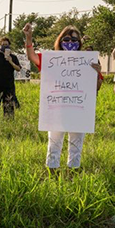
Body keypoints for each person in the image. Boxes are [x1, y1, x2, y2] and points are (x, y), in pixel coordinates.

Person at [26, 24, 103, 170]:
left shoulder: (88, 61)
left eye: (74, 39)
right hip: (56, 108)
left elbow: (97, 87)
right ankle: (52, 173)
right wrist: (28, 38)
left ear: (80, 42)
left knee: (76, 144)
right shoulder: (51, 59)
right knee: (54, 143)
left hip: (78, 109)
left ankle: (73, 173)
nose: (70, 43)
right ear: (60, 40)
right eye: (66, 39)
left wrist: (96, 73)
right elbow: (32, 56)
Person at [0, 30, 21, 116]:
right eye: (3, 44)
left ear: (9, 45)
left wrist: (11, 61)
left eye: (6, 44)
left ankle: (8, 122)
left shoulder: (13, 57)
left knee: (8, 107)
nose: (4, 46)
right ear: (0, 45)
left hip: (8, 85)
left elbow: (18, 69)